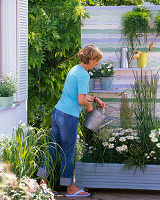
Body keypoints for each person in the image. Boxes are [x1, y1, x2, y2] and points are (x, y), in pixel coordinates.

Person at [37, 45, 105, 197]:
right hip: (68, 116)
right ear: (91, 59)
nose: (97, 64)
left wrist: (93, 99)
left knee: (52, 149)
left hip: (57, 113)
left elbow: (77, 95)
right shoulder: (84, 75)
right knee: (68, 152)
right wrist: (89, 107)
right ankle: (70, 188)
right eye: (97, 61)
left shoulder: (75, 69)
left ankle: (43, 184)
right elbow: (81, 100)